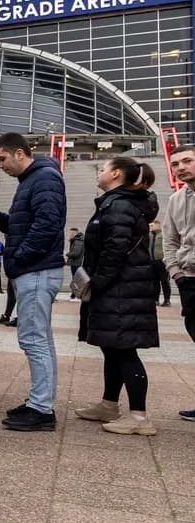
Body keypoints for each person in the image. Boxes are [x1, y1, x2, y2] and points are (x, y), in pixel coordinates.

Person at [0, 132, 67, 432]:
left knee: (33, 339)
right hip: (36, 268)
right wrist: (1, 220)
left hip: (37, 270)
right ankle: (39, 402)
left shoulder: (43, 179)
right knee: (40, 338)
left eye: (2, 159)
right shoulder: (33, 180)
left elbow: (47, 224)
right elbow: (32, 223)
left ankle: (41, 408)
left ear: (20, 153)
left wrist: (18, 259)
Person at [75, 157, 159, 436]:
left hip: (121, 290)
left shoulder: (120, 205)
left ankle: (139, 418)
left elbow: (115, 249)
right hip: (117, 288)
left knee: (124, 350)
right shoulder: (114, 203)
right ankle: (109, 405)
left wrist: (96, 283)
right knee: (112, 347)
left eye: (102, 168)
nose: (99, 173)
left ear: (116, 174)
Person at [162, 144, 195, 422]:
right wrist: (176, 272)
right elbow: (170, 239)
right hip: (189, 279)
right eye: (176, 164)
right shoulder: (176, 199)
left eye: (187, 161)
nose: (182, 167)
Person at [148, 221, 171, 307]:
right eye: (150, 225)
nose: (151, 227)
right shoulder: (149, 235)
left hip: (162, 261)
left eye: (152, 225)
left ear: (158, 225)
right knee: (155, 282)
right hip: (152, 261)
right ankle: (155, 300)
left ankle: (167, 300)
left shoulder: (163, 235)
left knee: (164, 281)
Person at [66, 229, 85, 302]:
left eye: (70, 233)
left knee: (76, 280)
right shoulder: (77, 240)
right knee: (76, 280)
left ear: (74, 233)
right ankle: (75, 295)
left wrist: (67, 254)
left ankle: (74, 296)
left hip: (76, 263)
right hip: (76, 263)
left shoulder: (78, 241)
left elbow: (76, 253)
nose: (69, 234)